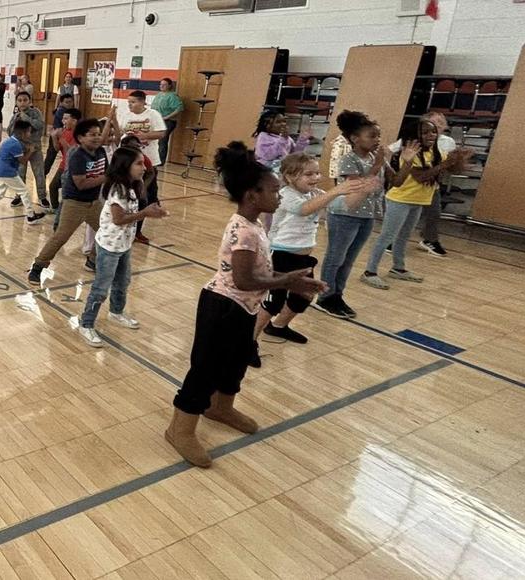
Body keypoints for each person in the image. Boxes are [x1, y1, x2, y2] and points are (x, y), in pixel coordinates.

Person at [164, 142, 326, 468]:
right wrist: (286, 281)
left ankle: (220, 407)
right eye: (274, 191)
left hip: (244, 307)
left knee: (236, 360)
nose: (279, 196)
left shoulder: (256, 226)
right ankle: (179, 429)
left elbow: (259, 273)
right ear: (253, 196)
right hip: (222, 306)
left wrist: (289, 279)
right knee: (205, 368)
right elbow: (243, 280)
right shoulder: (243, 230)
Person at [257, 153, 373, 345]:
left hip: (303, 257)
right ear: (289, 177)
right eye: (309, 174)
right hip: (279, 255)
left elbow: (345, 206)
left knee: (304, 296)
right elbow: (304, 209)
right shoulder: (285, 195)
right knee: (272, 303)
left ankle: (278, 327)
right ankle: (248, 342)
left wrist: (363, 190)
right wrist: (335, 191)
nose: (316, 178)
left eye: (317, 173)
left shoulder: (316, 194)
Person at [361, 118, 470, 289]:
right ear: (414, 135)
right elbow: (422, 177)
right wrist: (446, 163)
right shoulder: (410, 153)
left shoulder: (436, 153)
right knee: (387, 237)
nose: (431, 135)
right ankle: (370, 271)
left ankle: (398, 268)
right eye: (426, 132)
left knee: (404, 236)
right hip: (400, 200)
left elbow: (453, 169)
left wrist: (459, 160)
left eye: (434, 131)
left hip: (418, 201)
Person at [76, 146, 168, 347]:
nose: (143, 167)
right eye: (139, 163)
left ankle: (116, 312)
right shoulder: (118, 190)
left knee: (122, 281)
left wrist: (151, 210)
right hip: (109, 246)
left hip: (123, 244)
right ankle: (86, 323)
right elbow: (118, 219)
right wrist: (145, 213)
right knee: (101, 287)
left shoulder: (133, 186)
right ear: (125, 166)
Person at [312, 111, 386, 320]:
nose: (377, 140)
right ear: (355, 138)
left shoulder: (374, 158)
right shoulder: (348, 159)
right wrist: (378, 166)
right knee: (336, 257)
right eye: (372, 135)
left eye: (378, 136)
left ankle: (337, 294)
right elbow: (357, 187)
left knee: (349, 259)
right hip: (344, 214)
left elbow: (395, 181)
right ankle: (325, 297)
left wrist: (405, 161)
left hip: (366, 215)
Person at [26, 118, 118, 284]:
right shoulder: (77, 155)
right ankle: (37, 267)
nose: (97, 138)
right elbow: (81, 184)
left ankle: (92, 259)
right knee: (60, 237)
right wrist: (107, 177)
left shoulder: (100, 152)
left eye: (98, 134)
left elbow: (105, 174)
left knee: (107, 230)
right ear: (81, 138)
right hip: (75, 204)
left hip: (94, 203)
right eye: (92, 135)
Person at [389, 111, 457, 258]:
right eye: (433, 123)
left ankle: (430, 240)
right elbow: (390, 149)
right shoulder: (412, 141)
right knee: (403, 217)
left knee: (434, 213)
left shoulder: (448, 142)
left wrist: (459, 160)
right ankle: (391, 240)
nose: (437, 125)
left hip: (431, 186)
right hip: (409, 188)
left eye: (440, 122)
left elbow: (450, 163)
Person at [122, 90, 168, 243]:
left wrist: (145, 136)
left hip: (149, 161)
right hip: (130, 162)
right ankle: (125, 226)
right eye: (128, 102)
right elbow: (121, 132)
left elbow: (161, 133)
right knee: (128, 197)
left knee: (144, 196)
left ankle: (137, 231)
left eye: (133, 102)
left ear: (142, 102)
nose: (130, 105)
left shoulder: (153, 114)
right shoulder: (126, 115)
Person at [0, 119, 44, 224]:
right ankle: (31, 216)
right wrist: (31, 151)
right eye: (29, 132)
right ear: (22, 133)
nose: (30, 134)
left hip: (1, 170)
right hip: (7, 172)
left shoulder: (10, 141)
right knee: (24, 191)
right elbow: (23, 161)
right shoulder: (15, 145)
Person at [8, 91, 48, 208]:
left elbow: (39, 125)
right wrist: (16, 120)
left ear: (30, 101)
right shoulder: (16, 115)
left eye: (25, 100)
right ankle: (19, 196)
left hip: (35, 148)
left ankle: (42, 197)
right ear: (16, 102)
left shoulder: (35, 112)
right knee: (20, 174)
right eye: (19, 100)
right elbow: (10, 132)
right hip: (21, 150)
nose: (22, 103)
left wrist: (26, 118)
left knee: (39, 173)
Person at [42, 93, 76, 178]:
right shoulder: (61, 111)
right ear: (61, 103)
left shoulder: (69, 112)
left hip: (63, 136)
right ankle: (42, 175)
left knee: (66, 156)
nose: (69, 104)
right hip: (56, 136)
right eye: (66, 102)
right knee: (50, 157)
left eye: (70, 102)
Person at [151, 78, 183, 165]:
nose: (162, 86)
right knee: (155, 139)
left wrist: (167, 117)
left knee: (163, 139)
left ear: (169, 86)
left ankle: (161, 160)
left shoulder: (173, 96)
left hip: (168, 121)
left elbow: (179, 108)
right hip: (157, 120)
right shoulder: (159, 94)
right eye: (161, 84)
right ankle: (155, 158)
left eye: (164, 85)